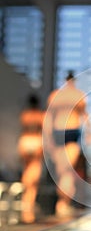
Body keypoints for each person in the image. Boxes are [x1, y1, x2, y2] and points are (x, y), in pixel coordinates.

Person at [44, 72, 91, 217]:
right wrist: (89, 133)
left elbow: (48, 119)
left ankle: (63, 201)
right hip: (68, 131)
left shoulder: (56, 95)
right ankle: (63, 202)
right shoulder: (77, 95)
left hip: (61, 132)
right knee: (66, 171)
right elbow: (85, 116)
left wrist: (48, 138)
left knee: (63, 171)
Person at [18, 94, 45, 223]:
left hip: (25, 141)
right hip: (35, 141)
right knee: (34, 177)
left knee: (27, 172)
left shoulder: (25, 115)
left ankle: (26, 203)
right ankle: (28, 205)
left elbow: (23, 130)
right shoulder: (41, 115)